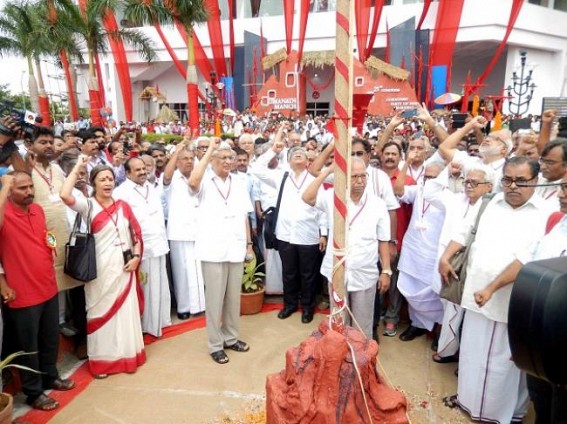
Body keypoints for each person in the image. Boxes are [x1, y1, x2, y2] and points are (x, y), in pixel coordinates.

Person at [439, 156, 549, 423]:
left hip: (512, 301)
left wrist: (491, 288)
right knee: (473, 353)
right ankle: (469, 402)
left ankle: (502, 415)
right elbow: (465, 232)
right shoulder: (490, 202)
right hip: (477, 295)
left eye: (521, 181)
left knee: (504, 363)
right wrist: (446, 256)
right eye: (507, 179)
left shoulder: (545, 213)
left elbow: (526, 258)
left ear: (536, 181)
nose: (512, 186)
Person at [473, 173, 567, 424]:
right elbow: (525, 260)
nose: (560, 194)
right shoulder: (557, 222)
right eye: (562, 188)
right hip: (545, 340)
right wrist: (491, 288)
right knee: (541, 399)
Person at [60, 161, 145, 378]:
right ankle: (103, 363)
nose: (107, 183)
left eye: (110, 179)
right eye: (102, 179)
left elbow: (136, 235)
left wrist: (136, 257)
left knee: (125, 314)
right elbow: (64, 195)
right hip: (100, 272)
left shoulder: (123, 205)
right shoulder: (88, 205)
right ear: (93, 183)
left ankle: (129, 355)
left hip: (125, 269)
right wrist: (79, 163)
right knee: (100, 314)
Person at [0, 172, 75, 411]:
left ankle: (50, 376)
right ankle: (33, 392)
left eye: (31, 186)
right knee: (28, 346)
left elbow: (46, 238)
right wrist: (3, 187)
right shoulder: (5, 214)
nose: (29, 191)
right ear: (10, 191)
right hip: (22, 292)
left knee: (49, 338)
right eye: (22, 188)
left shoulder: (38, 210)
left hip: (47, 285)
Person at [302, 158, 392, 338]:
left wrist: (386, 271)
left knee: (362, 325)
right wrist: (328, 171)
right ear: (343, 177)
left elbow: (383, 240)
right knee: (338, 322)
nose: (360, 181)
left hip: (364, 272)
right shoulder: (332, 197)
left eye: (363, 176)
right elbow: (307, 197)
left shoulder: (378, 204)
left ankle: (359, 362)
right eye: (354, 176)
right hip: (337, 272)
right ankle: (341, 359)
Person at [251, 126, 327, 324]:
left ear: (308, 160)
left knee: (308, 274)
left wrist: (323, 233)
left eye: (302, 154)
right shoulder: (281, 176)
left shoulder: (315, 179)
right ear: (289, 160)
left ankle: (308, 307)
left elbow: (323, 209)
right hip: (285, 234)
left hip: (308, 235)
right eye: (294, 154)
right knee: (289, 272)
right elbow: (257, 169)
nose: (298, 156)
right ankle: (290, 304)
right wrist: (273, 150)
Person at [188, 139, 253, 365]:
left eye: (230, 158)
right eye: (223, 158)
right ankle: (215, 344)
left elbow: (245, 215)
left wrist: (248, 244)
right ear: (212, 161)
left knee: (233, 299)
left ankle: (231, 337)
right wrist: (207, 155)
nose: (228, 161)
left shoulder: (239, 181)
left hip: (234, 247)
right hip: (212, 248)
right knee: (215, 300)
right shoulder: (204, 180)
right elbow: (193, 181)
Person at [423, 164, 494, 363]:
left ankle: (451, 351)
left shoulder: (493, 207)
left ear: (489, 186)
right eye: (466, 181)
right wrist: (448, 169)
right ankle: (449, 349)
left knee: (463, 314)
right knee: (451, 309)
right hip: (448, 263)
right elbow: (429, 191)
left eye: (474, 182)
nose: (469, 186)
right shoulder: (455, 200)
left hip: (473, 268)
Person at [114, 157, 171, 337]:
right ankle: (147, 325)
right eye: (137, 170)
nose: (142, 172)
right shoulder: (121, 193)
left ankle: (161, 320)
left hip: (159, 243)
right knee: (146, 287)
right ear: (128, 173)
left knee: (160, 284)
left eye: (144, 168)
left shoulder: (151, 187)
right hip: (141, 248)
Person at [394, 157, 446, 343]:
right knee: (411, 288)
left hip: (434, 252)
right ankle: (416, 325)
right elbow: (398, 190)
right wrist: (406, 164)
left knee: (432, 293)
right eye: (426, 177)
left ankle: (438, 330)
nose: (428, 181)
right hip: (413, 249)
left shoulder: (449, 196)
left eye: (434, 178)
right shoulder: (419, 190)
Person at [163, 141, 205, 319]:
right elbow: (166, 176)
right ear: (177, 162)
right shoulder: (171, 179)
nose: (189, 161)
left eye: (191, 158)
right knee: (182, 272)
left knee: (200, 271)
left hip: (199, 230)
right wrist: (177, 150)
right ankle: (183, 307)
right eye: (184, 159)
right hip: (179, 232)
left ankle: (201, 305)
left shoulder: (200, 176)